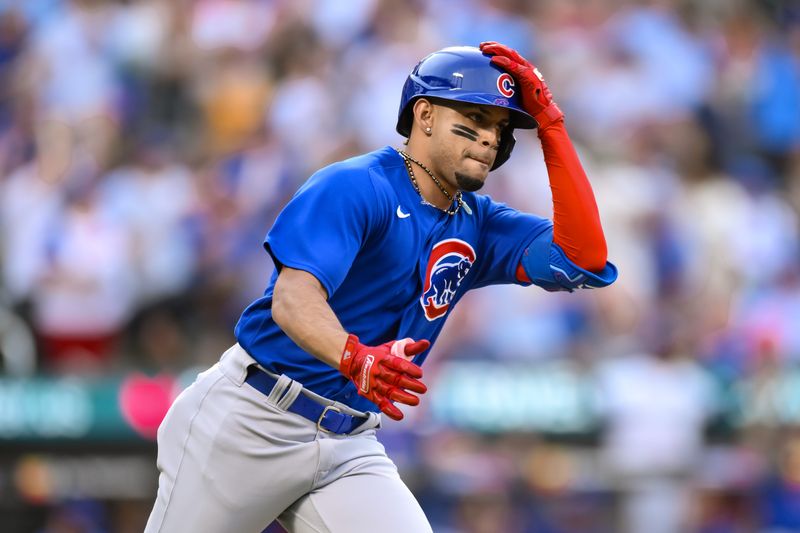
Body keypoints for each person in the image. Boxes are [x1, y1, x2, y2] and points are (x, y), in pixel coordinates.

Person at [145, 42, 618, 533]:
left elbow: (582, 258)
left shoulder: (478, 223)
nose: (489, 139)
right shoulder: (356, 185)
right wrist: (354, 357)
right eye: (476, 118)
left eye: (500, 128)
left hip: (350, 441)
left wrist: (553, 129)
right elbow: (292, 300)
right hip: (252, 418)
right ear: (426, 114)